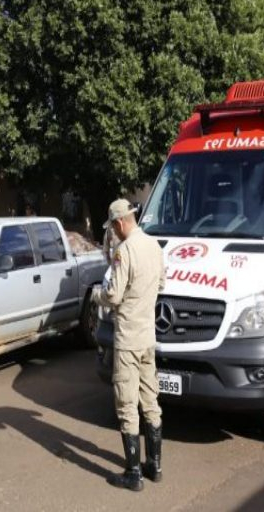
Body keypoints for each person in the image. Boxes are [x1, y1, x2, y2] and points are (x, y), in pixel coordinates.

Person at [91, 199, 165, 492]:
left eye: (112, 227)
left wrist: (98, 295)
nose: (112, 232)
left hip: (128, 340)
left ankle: (133, 473)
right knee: (151, 401)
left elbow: (114, 296)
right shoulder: (154, 245)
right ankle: (155, 466)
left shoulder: (125, 251)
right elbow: (161, 286)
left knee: (126, 405)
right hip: (148, 337)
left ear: (120, 223)